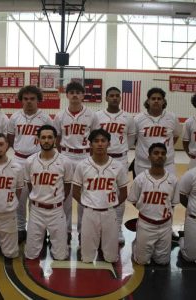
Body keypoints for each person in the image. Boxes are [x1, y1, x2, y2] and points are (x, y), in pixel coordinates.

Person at [54, 81, 100, 244]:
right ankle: (65, 230)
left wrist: (92, 158)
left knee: (84, 196)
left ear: (83, 96)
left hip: (85, 156)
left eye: (78, 92)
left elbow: (96, 138)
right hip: (66, 155)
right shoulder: (60, 115)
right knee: (64, 195)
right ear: (67, 95)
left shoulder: (92, 115)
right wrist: (60, 157)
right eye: (71, 92)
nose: (74, 95)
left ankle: (83, 229)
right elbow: (57, 137)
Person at [72, 128, 128, 263]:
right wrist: (86, 203)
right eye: (96, 141)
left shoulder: (118, 166)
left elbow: (124, 192)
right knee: (86, 258)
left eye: (103, 141)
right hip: (89, 212)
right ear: (90, 144)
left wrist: (113, 204)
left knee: (111, 257)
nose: (100, 144)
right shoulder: (82, 165)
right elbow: (75, 191)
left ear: (109, 143)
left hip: (110, 212)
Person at [8, 85, 52, 243]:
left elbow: (50, 139)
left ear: (38, 100)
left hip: (39, 160)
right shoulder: (14, 117)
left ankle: (38, 228)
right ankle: (20, 228)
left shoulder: (45, 118)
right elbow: (11, 139)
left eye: (32, 99)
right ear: (21, 100)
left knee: (39, 196)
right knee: (20, 196)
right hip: (19, 160)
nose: (28, 102)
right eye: (25, 99)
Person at [24, 125, 72, 260]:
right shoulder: (30, 161)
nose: (46, 140)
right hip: (36, 210)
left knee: (61, 256)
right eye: (43, 137)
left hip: (56, 210)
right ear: (38, 139)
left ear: (55, 140)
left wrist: (56, 199)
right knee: (31, 255)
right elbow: (29, 184)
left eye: (50, 137)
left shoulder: (65, 162)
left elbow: (67, 186)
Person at [128, 143, 179, 265]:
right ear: (149, 157)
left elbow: (173, 203)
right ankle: (137, 244)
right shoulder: (140, 179)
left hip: (165, 225)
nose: (160, 156)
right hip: (146, 224)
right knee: (142, 261)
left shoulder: (173, 180)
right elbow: (133, 200)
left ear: (166, 157)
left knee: (163, 262)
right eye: (156, 153)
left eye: (163, 154)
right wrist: (148, 209)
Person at [96, 86, 135, 244]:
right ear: (106, 98)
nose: (114, 98)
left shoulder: (128, 117)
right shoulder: (97, 116)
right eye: (111, 95)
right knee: (101, 190)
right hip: (101, 158)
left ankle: (117, 228)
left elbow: (131, 139)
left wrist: (121, 149)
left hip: (120, 159)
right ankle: (99, 227)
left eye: (117, 96)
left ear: (120, 98)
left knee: (119, 193)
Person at [134, 88, 181, 176]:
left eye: (159, 99)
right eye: (153, 98)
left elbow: (175, 136)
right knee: (144, 189)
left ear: (163, 101)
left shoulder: (172, 117)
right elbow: (134, 139)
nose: (156, 101)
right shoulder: (138, 119)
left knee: (169, 189)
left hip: (167, 164)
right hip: (143, 164)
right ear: (148, 101)